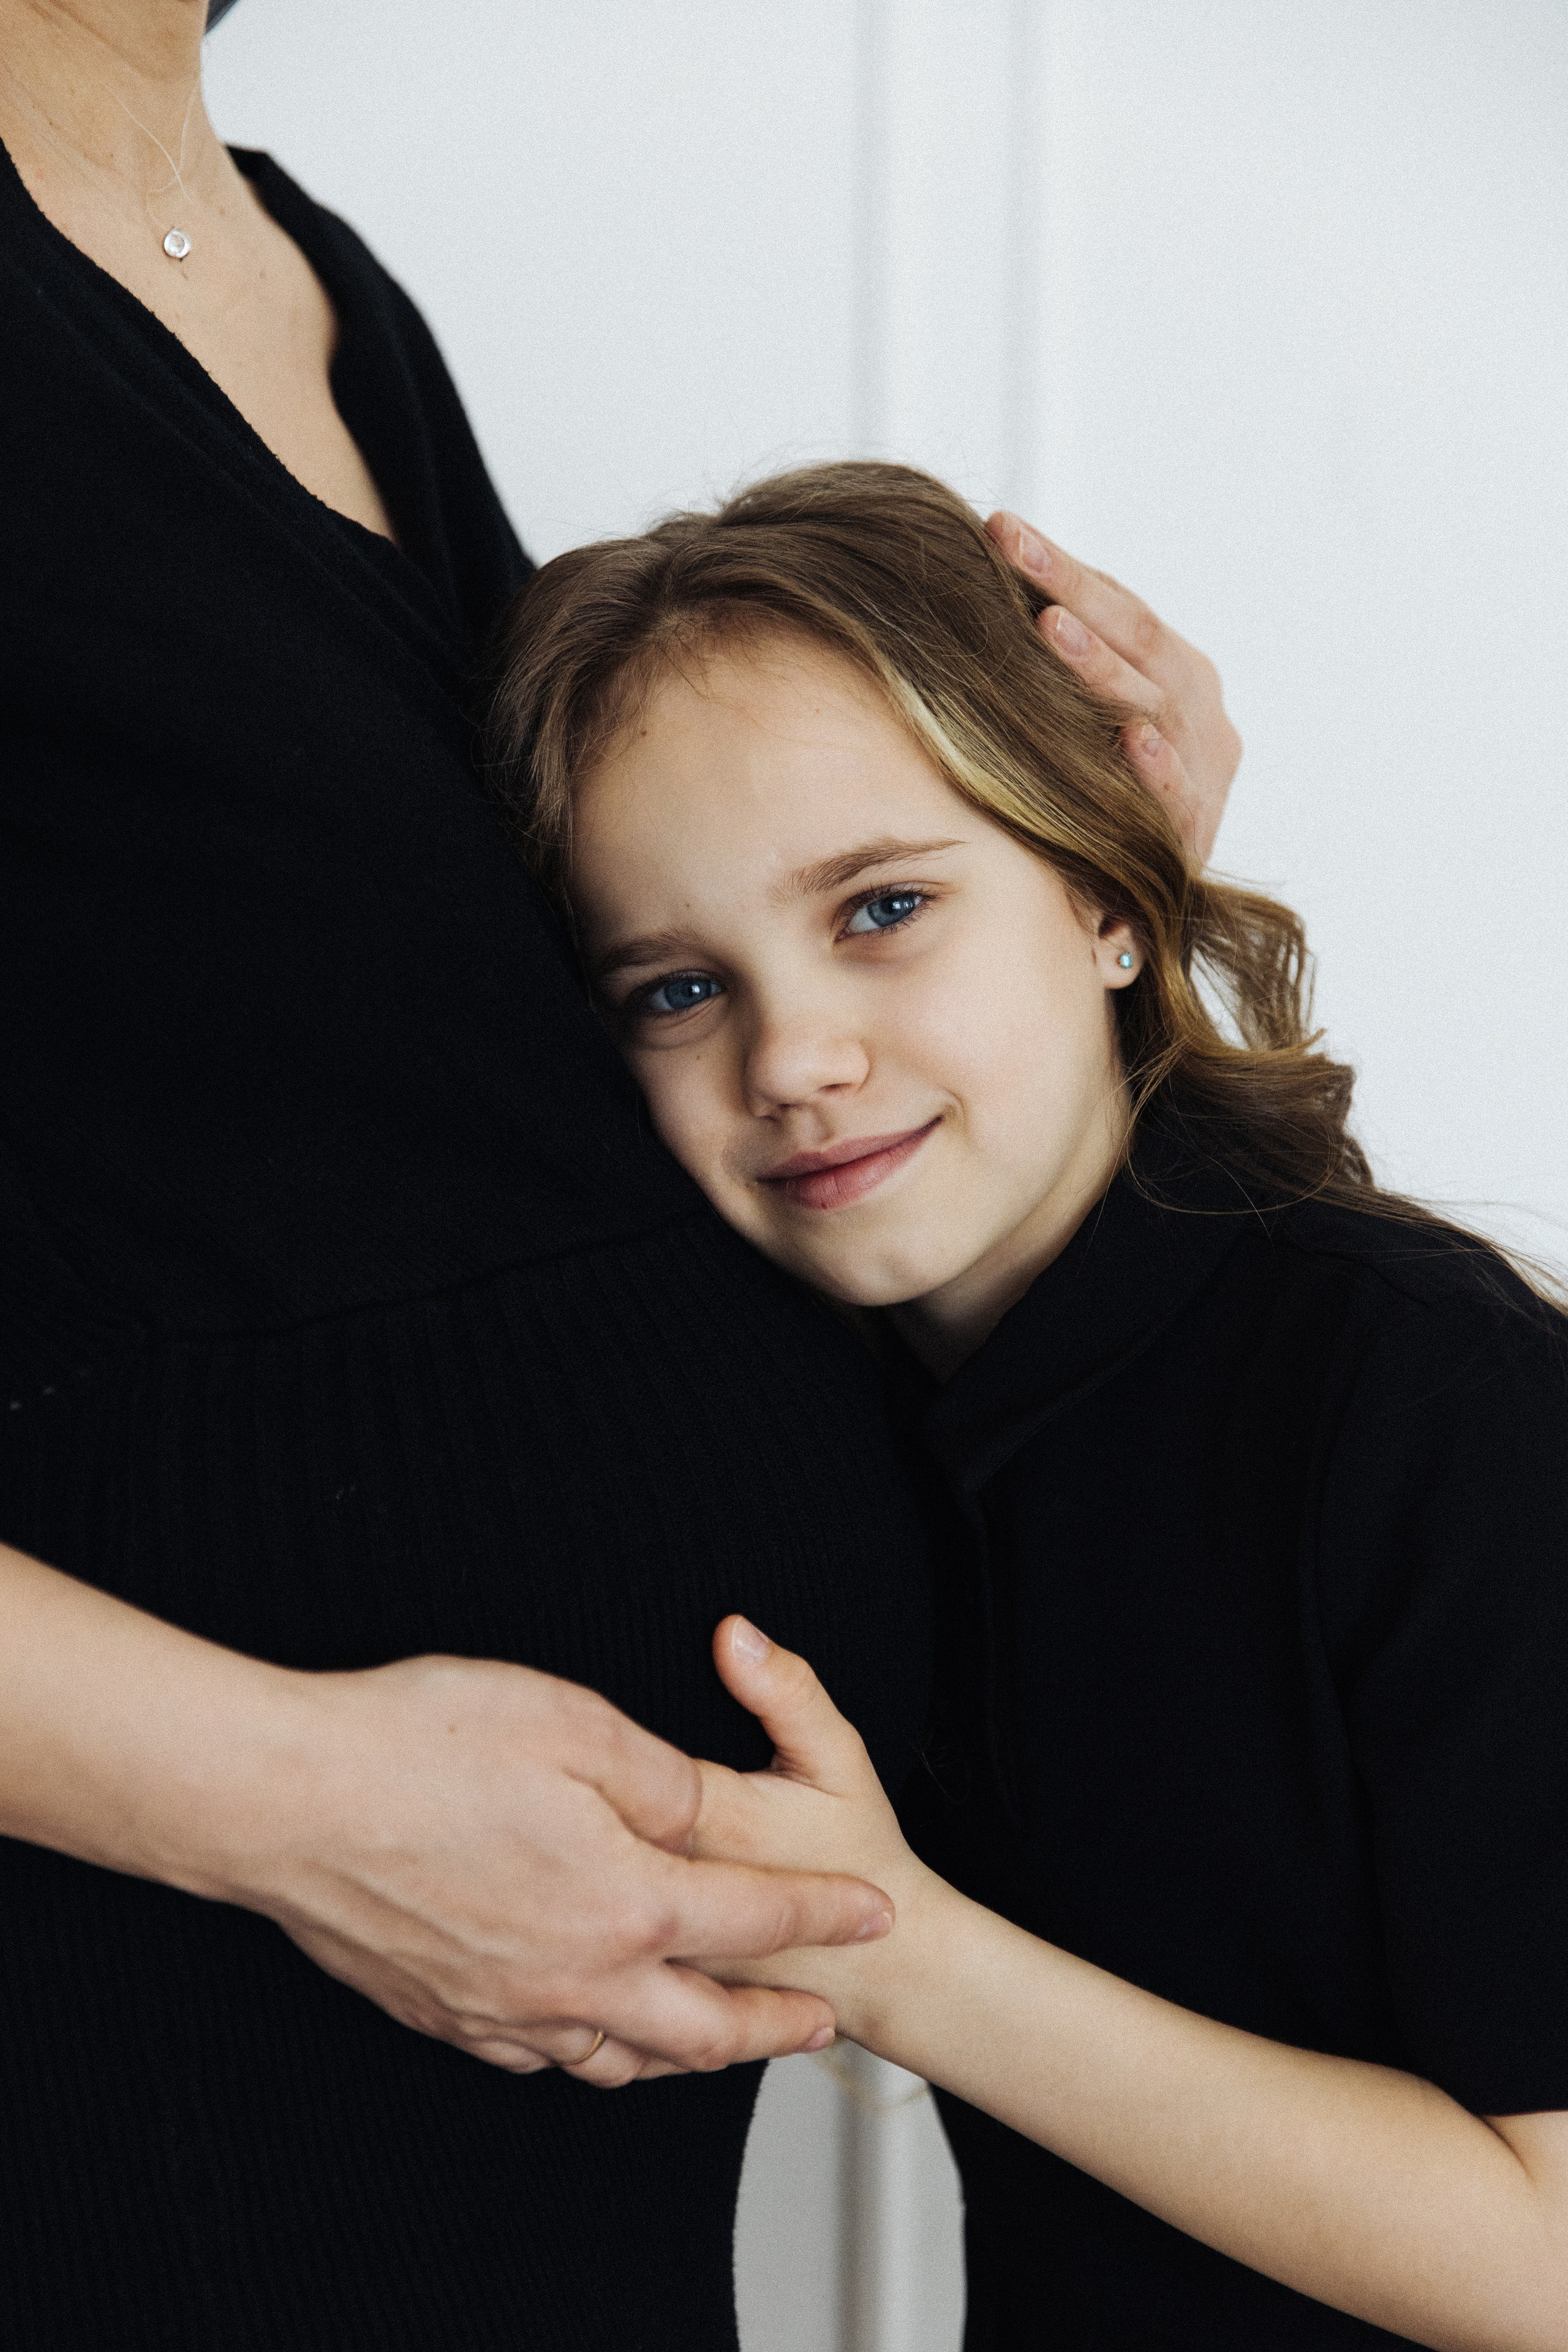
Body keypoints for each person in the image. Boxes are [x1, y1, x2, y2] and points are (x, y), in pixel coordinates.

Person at [0, 4, 1243, 2344]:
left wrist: (1057, 894)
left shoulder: (316, 277)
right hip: (145, 2039)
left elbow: (472, 1079)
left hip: (535, 2079)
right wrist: (294, 1810)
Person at [484, 460, 1568, 2350]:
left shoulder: (1429, 1400)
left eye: (885, 905)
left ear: (1107, 895)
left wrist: (905, 1953)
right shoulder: (812, 1415)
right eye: (675, 990)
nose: (796, 1059)